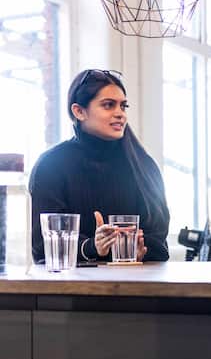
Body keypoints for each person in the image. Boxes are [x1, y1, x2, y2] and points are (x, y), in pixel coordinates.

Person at [30, 69, 170, 263]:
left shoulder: (144, 166)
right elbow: (43, 246)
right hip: (71, 289)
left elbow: (160, 241)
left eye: (123, 106)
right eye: (108, 105)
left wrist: (142, 250)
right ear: (79, 111)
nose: (120, 114)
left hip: (140, 286)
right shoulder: (51, 165)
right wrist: (92, 247)